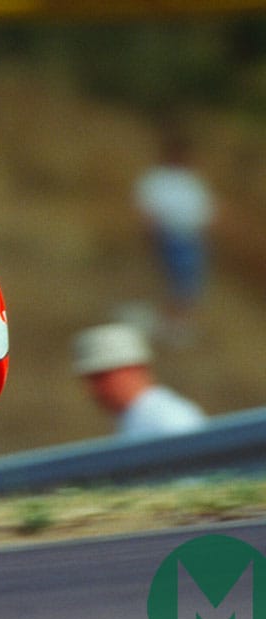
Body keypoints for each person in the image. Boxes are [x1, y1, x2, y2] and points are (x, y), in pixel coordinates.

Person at [133, 127, 214, 345]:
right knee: (171, 281)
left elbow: (205, 209)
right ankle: (165, 324)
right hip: (168, 237)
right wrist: (151, 234)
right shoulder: (157, 179)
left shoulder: (192, 180)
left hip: (192, 237)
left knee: (189, 282)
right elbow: (146, 209)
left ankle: (179, 325)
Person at [72, 322, 206, 439]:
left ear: (133, 367)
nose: (93, 388)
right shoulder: (133, 417)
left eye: (101, 377)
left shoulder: (168, 418)